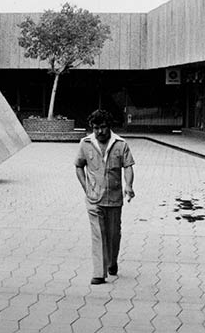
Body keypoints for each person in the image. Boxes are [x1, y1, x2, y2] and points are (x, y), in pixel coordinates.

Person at [74, 109, 135, 285]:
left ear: (109, 126)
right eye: (95, 128)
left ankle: (112, 262)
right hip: (94, 198)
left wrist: (129, 185)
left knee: (114, 234)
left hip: (115, 198)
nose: (99, 132)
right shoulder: (85, 143)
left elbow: (128, 166)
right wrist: (86, 188)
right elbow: (78, 166)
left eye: (103, 127)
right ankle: (99, 273)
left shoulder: (121, 144)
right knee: (98, 234)